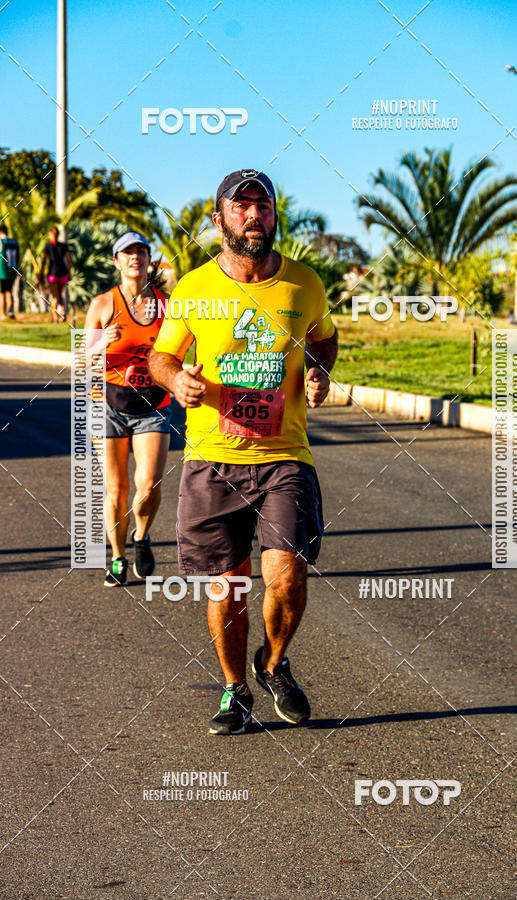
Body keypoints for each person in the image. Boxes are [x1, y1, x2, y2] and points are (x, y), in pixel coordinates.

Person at [149, 169, 338, 735]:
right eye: (241, 206)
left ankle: (273, 663)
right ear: (219, 219)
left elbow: (324, 338)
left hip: (285, 455)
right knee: (227, 585)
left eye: (264, 205)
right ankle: (235, 689)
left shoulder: (304, 284)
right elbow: (162, 356)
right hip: (212, 458)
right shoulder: (194, 289)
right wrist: (175, 379)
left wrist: (319, 373)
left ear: (275, 214)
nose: (254, 215)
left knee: (287, 575)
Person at [84, 231, 171, 587]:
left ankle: (141, 536)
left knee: (148, 484)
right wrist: (100, 344)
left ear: (149, 259)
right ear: (116, 261)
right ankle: (118, 558)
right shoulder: (103, 304)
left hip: (153, 403)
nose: (135, 257)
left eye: (141, 251)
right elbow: (81, 361)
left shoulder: (166, 306)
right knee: (116, 488)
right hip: (107, 402)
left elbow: (178, 353)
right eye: (127, 252)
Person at [40, 226, 72, 323]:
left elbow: (44, 260)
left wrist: (41, 272)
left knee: (55, 297)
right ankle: (62, 310)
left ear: (50, 234)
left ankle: (55, 318)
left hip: (52, 274)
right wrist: (69, 272)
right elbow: (69, 260)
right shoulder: (63, 246)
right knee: (59, 295)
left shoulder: (48, 246)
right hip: (63, 273)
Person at [0, 225, 20, 319]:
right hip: (12, 270)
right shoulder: (15, 242)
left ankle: (2, 313)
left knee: (2, 292)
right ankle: (11, 312)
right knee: (9, 291)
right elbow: (19, 256)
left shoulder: (1, 242)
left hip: (2, 271)